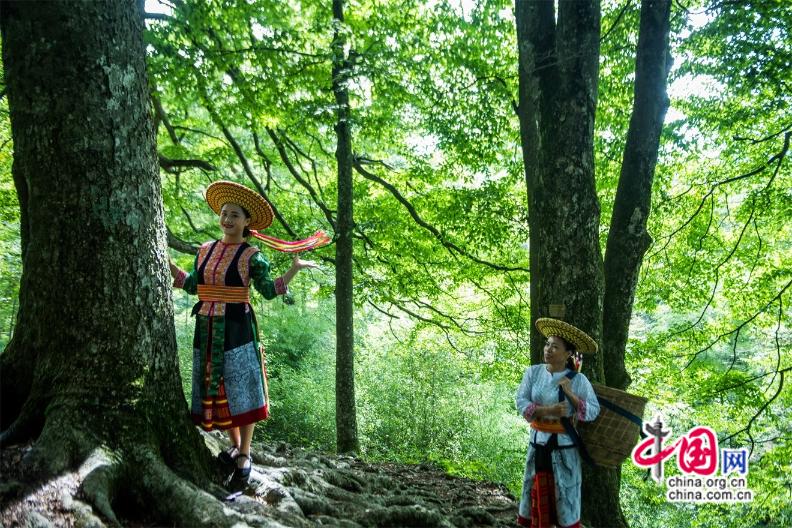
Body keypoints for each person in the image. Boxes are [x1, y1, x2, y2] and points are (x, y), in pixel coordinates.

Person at [169, 180, 326, 483]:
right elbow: (192, 285)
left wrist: (294, 268)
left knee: (241, 386)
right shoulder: (205, 250)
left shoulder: (252, 255)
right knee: (217, 386)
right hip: (206, 327)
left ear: (247, 221)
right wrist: (170, 265)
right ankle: (233, 445)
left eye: (235, 215)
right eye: (224, 213)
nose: (227, 219)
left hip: (237, 329)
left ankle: (244, 453)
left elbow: (268, 290)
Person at [515, 318, 600, 528]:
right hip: (538, 445)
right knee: (535, 488)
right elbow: (521, 401)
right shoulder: (533, 373)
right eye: (547, 344)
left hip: (565, 448)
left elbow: (593, 410)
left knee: (564, 494)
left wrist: (570, 393)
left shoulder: (579, 380)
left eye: (555, 347)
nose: (548, 350)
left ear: (568, 353)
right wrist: (547, 410)